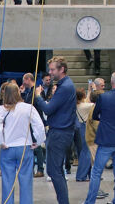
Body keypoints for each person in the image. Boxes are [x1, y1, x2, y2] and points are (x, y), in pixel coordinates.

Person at [0, 81, 46, 204]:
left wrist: (1, 141)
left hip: (7, 148)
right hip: (25, 148)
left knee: (7, 182)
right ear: (18, 92)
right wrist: (38, 141)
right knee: (26, 181)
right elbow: (39, 126)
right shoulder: (28, 108)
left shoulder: (0, 110)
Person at [84, 72, 115, 204]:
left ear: (111, 82)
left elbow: (95, 116)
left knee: (96, 172)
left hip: (106, 139)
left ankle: (90, 201)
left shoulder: (104, 97)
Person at [35, 56, 78, 204]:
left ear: (62, 69)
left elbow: (48, 108)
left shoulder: (65, 87)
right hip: (61, 132)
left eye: (53, 69)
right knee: (57, 171)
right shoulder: (65, 85)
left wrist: (38, 97)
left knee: (54, 172)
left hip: (60, 133)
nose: (50, 72)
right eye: (50, 69)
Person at [21, 73, 48, 177]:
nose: (23, 82)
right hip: (30, 122)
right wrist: (22, 94)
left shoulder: (36, 92)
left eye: (24, 80)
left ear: (28, 79)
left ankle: (40, 169)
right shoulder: (29, 92)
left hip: (35, 123)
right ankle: (32, 169)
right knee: (32, 146)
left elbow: (29, 105)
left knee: (37, 146)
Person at [74, 88, 95, 181]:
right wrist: (93, 91)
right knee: (86, 152)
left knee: (84, 151)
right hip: (86, 128)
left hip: (80, 127)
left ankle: (87, 174)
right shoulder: (86, 106)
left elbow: (86, 102)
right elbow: (94, 103)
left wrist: (90, 90)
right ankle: (81, 175)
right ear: (83, 96)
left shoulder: (77, 105)